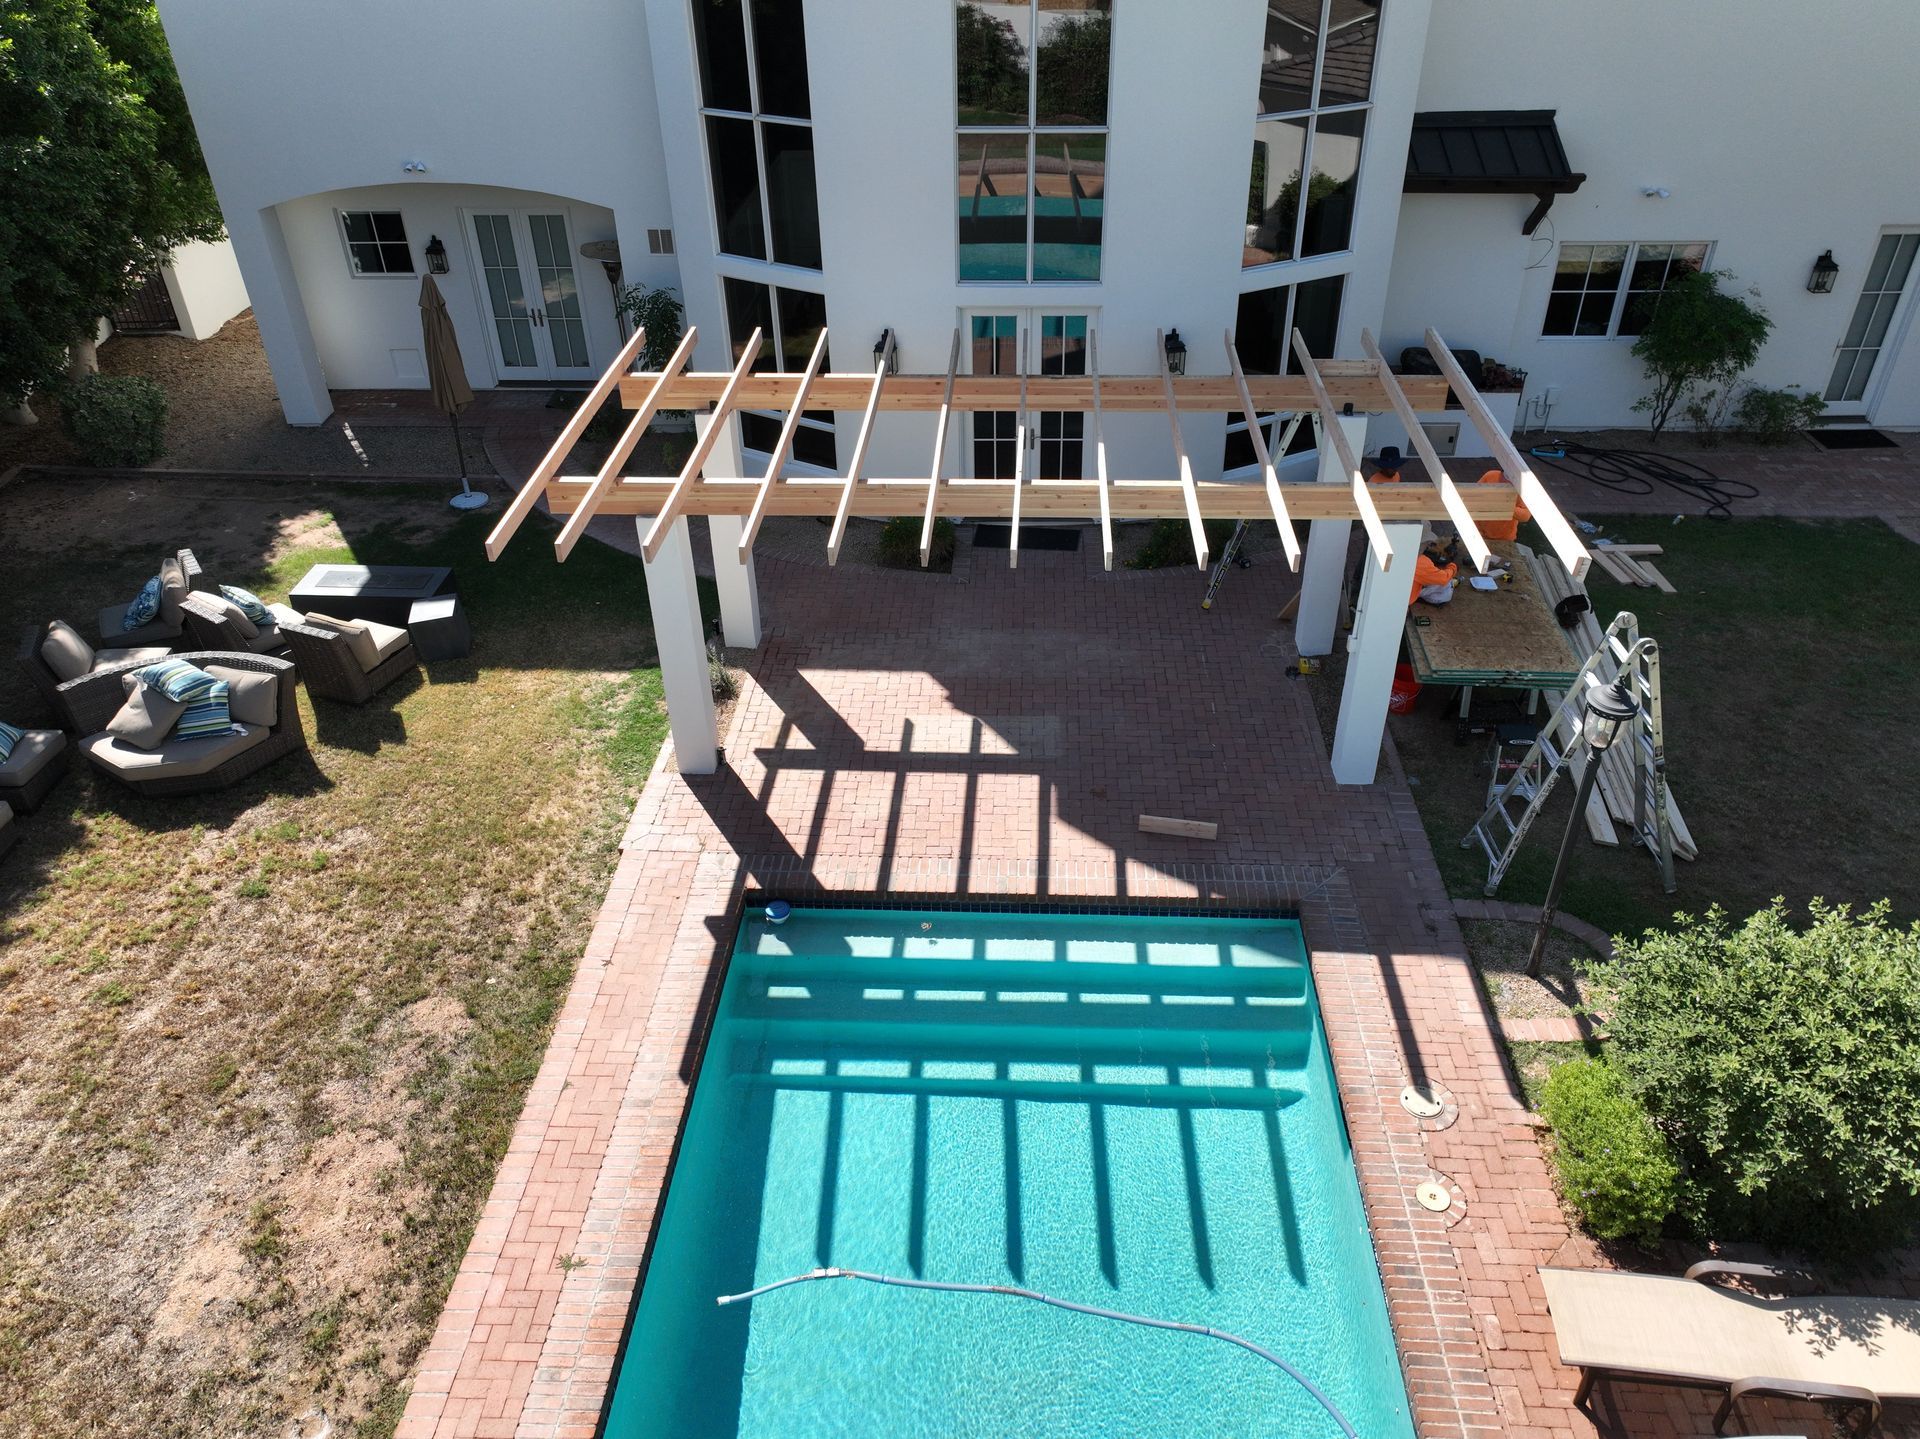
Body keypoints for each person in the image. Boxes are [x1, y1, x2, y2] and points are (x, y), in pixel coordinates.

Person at [1477, 468, 1531, 542]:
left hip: (1504, 539)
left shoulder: (1521, 488)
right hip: (1479, 533)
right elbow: (1474, 495)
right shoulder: (1490, 476)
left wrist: (1506, 506)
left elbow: (1526, 516)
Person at [1410, 533, 1458, 606]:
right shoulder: (1420, 562)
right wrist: (1453, 567)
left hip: (1397, 590)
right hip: (1404, 598)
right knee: (1446, 585)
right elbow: (1444, 578)